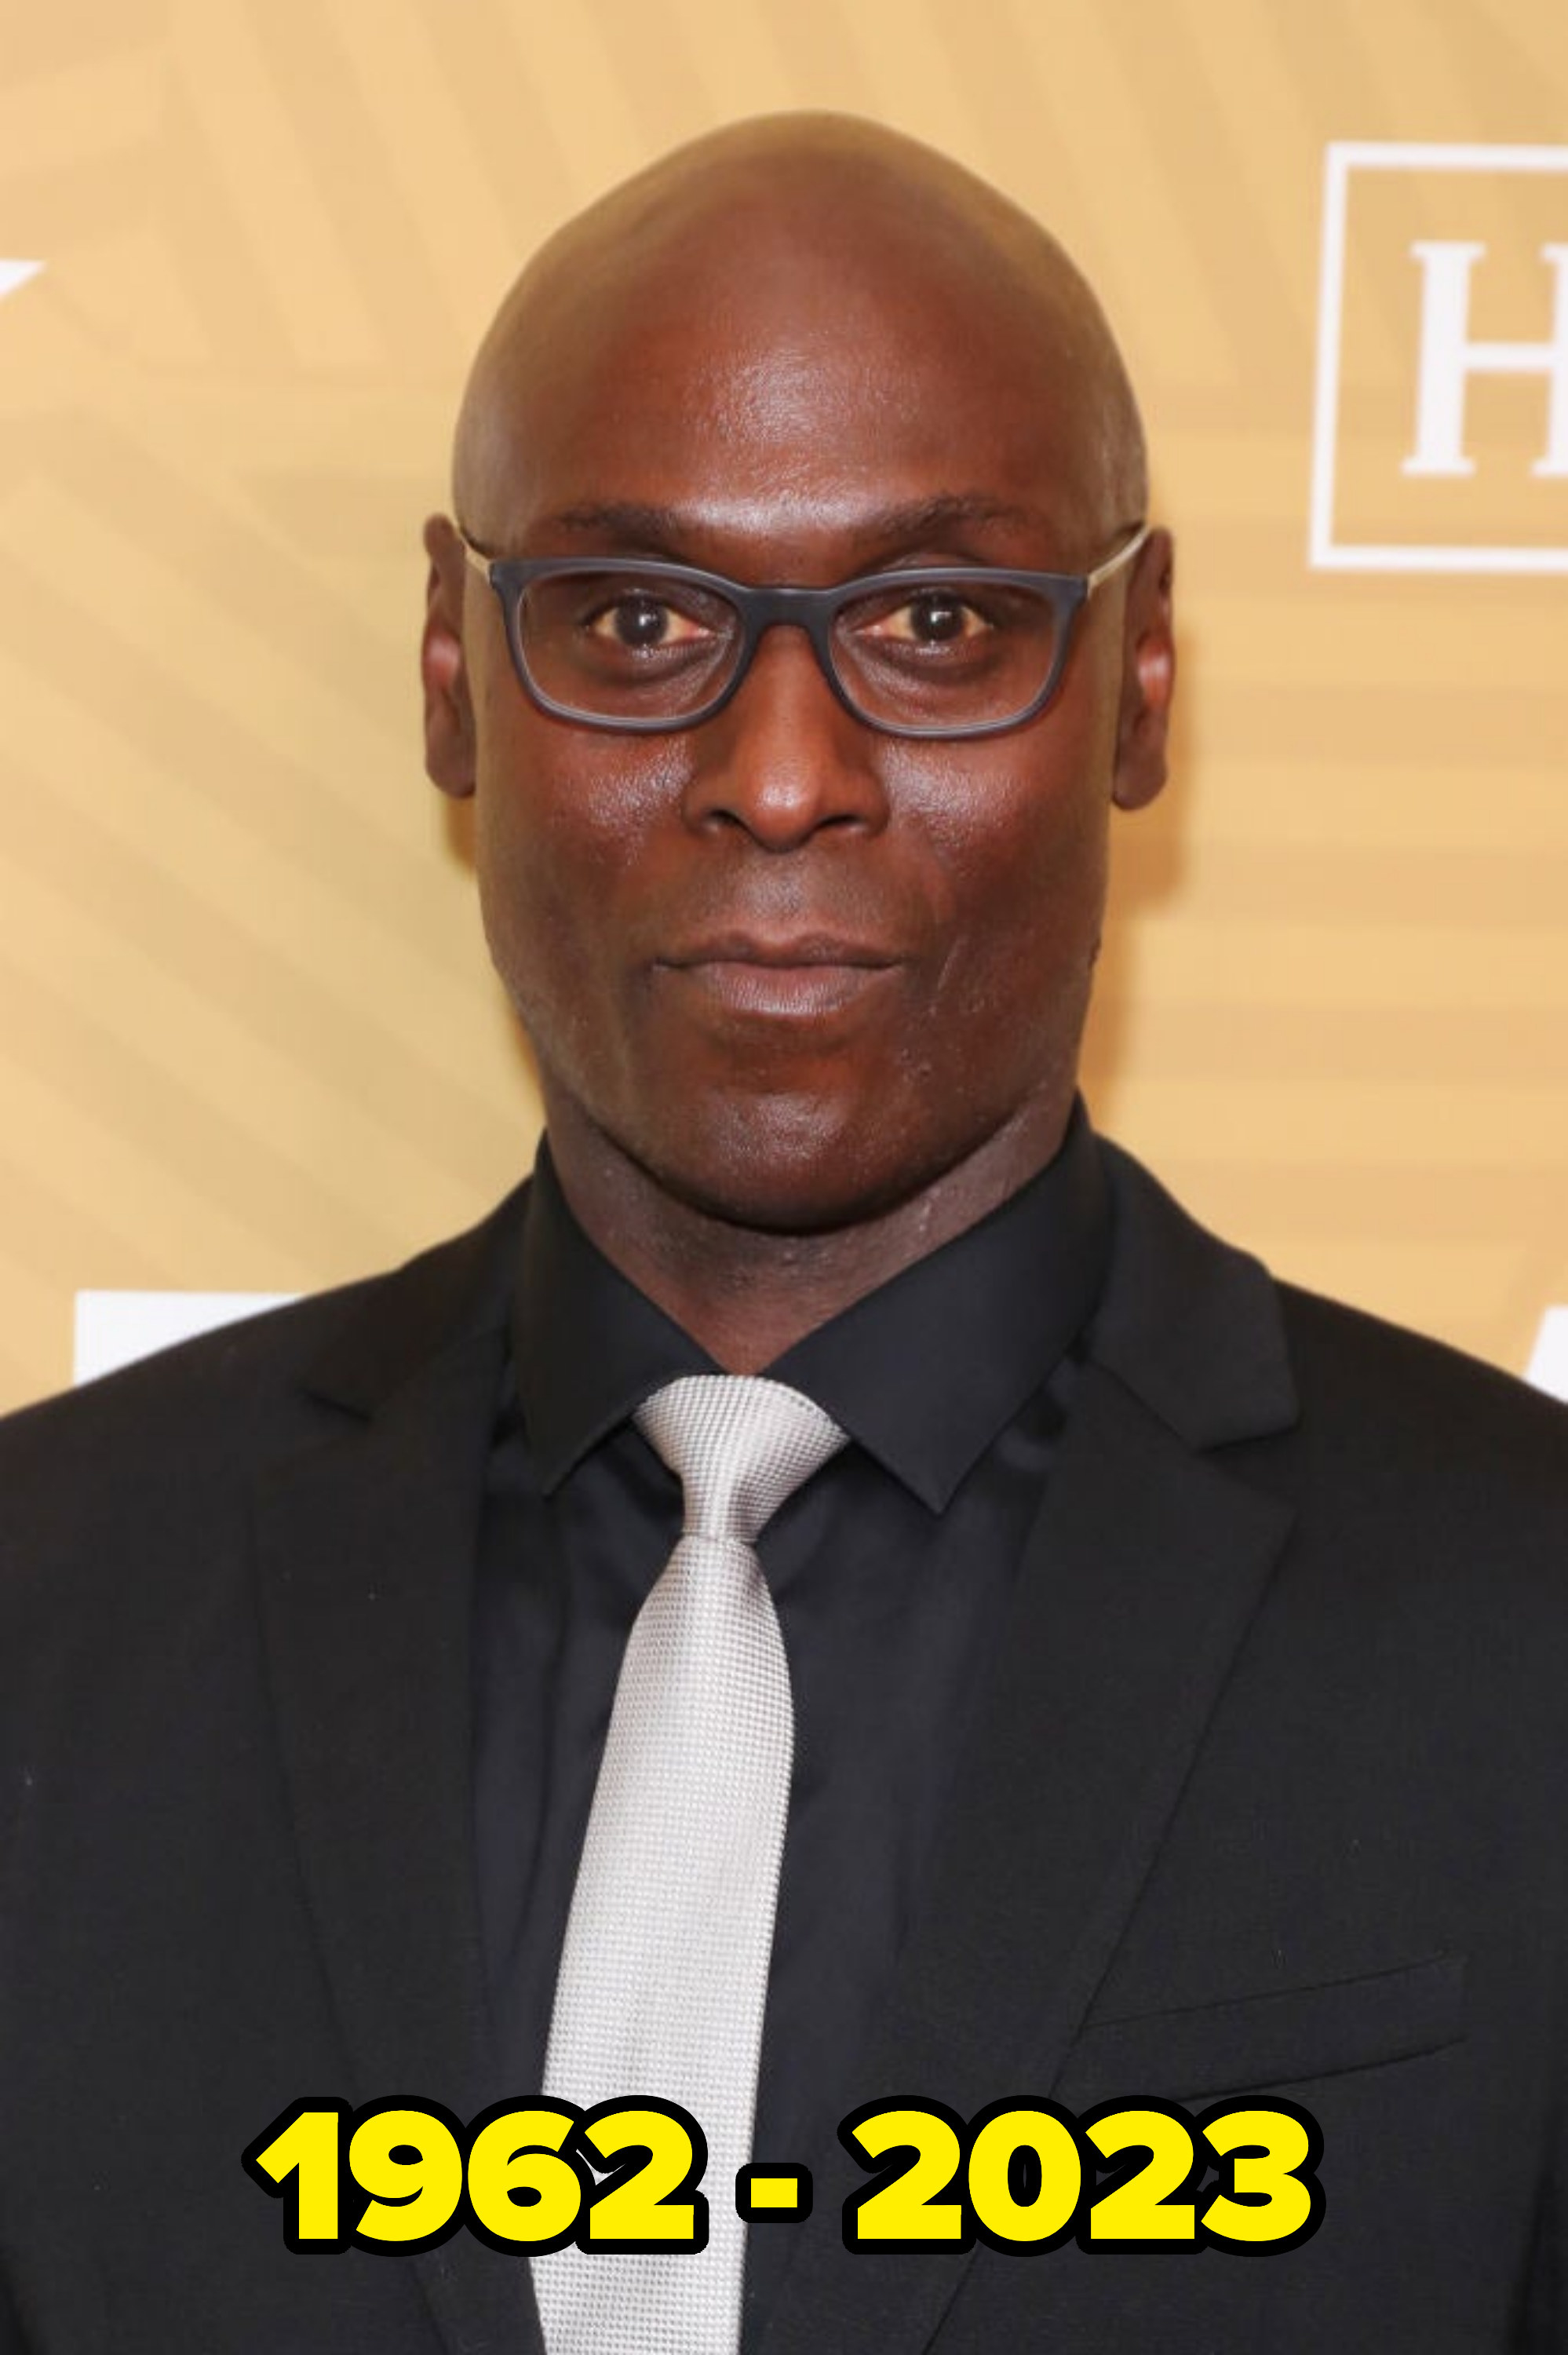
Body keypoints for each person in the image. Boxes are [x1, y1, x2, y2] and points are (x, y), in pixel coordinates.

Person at [2, 110, 1566, 2355]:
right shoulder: (49, 1607)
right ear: (452, 670)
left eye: (937, 623)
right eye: (641, 620)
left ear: (1139, 682)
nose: (783, 772)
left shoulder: (1524, 1618)